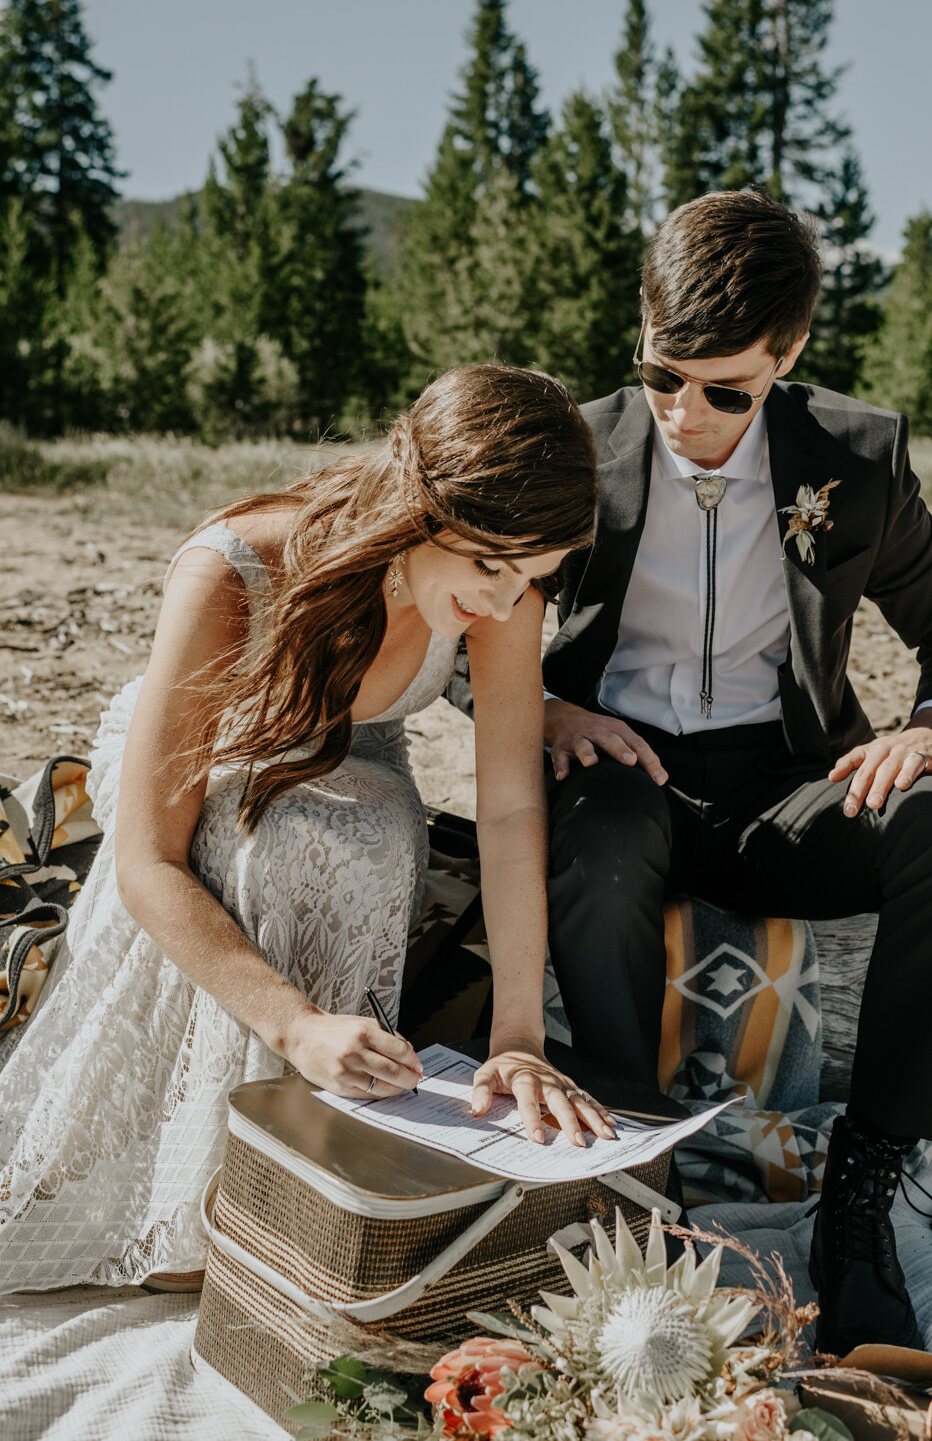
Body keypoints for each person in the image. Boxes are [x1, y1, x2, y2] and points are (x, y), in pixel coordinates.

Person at [0, 362, 614, 1295]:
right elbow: (147, 863)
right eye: (488, 566)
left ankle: (304, 1168)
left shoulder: (504, 590)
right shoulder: (234, 565)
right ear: (417, 504)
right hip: (206, 759)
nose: (501, 602)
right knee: (272, 849)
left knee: (365, 840)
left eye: (531, 577)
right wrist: (294, 1027)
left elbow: (510, 806)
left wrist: (519, 1032)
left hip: (359, 765)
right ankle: (193, 1183)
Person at [538, 191, 932, 1356]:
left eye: (726, 390)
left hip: (786, 785)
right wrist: (539, 706)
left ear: (786, 356)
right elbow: (449, 622)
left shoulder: (851, 458)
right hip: (617, 773)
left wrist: (929, 730)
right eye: (660, 377)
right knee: (595, 849)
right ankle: (630, 1178)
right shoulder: (573, 450)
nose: (685, 414)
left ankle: (859, 1201)